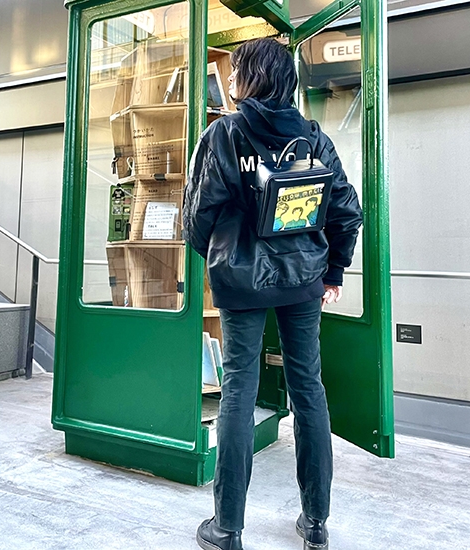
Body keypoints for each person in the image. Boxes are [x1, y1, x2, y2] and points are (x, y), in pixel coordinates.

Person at [183, 37, 362, 550]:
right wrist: (333, 271)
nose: (231, 79)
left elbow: (198, 215)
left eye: (236, 71)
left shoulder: (223, 134)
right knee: (308, 388)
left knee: (238, 390)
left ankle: (227, 528)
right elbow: (346, 210)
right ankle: (316, 522)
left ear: (250, 78)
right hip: (304, 280)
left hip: (240, 283)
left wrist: (221, 256)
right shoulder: (313, 138)